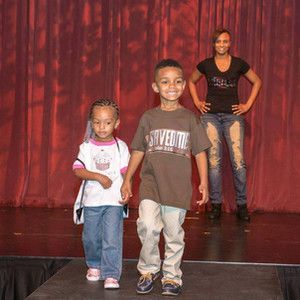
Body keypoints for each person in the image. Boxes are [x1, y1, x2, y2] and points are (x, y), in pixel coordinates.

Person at [121, 59, 211, 296]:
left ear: (183, 86)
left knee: (173, 234)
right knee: (147, 226)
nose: (172, 86)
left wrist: (204, 182)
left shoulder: (190, 119)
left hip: (178, 189)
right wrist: (128, 178)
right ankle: (149, 270)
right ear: (155, 87)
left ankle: (172, 276)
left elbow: (200, 152)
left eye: (177, 81)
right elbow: (139, 149)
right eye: (165, 81)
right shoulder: (149, 118)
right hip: (151, 185)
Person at [188, 28, 262, 221]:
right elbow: (191, 81)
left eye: (225, 41)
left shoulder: (238, 64)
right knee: (214, 163)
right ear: (213, 44)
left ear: (230, 43)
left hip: (233, 117)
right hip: (210, 117)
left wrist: (247, 105)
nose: (222, 45)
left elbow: (257, 81)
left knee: (238, 162)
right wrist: (197, 102)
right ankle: (216, 205)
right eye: (219, 42)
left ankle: (242, 205)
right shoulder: (206, 64)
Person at [72, 99, 130, 289]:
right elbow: (77, 170)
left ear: (117, 123)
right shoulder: (86, 147)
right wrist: (97, 176)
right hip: (92, 202)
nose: (102, 127)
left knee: (112, 238)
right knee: (90, 237)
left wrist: (127, 188)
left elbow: (125, 172)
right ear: (91, 123)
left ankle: (111, 274)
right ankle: (94, 265)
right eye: (97, 122)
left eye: (107, 122)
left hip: (114, 201)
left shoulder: (121, 147)